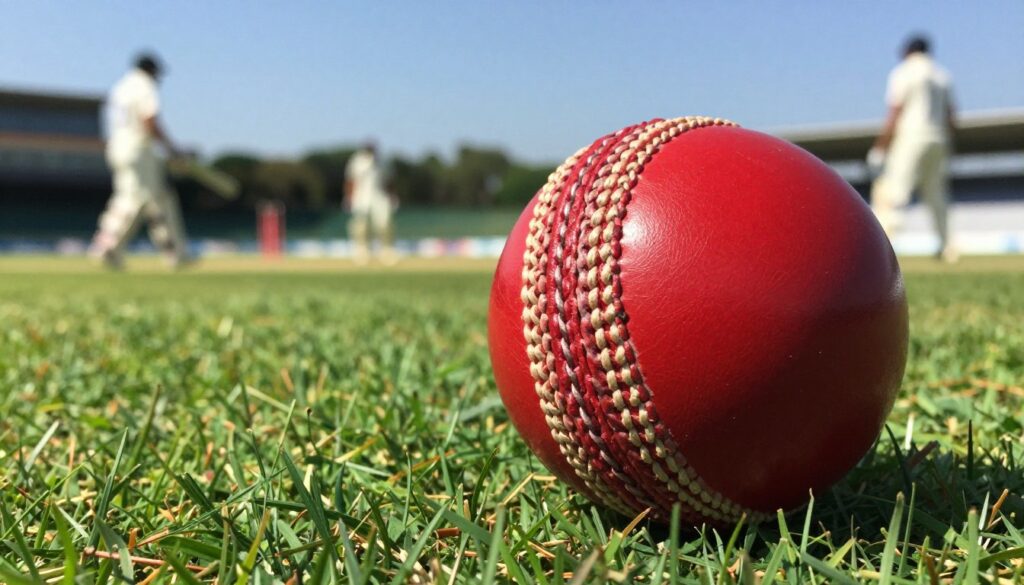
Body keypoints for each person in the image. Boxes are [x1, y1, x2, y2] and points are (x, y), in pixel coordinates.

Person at [90, 52, 190, 269]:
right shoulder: (143, 85)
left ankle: (174, 252)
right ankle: (107, 247)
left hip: (118, 147)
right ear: (151, 70)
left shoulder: (120, 88)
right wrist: (171, 149)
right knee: (136, 198)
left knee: (155, 199)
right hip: (138, 149)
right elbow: (149, 119)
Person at [868, 35, 958, 262]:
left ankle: (880, 251)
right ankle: (948, 249)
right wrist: (948, 143)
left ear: (908, 51)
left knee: (895, 192)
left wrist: (881, 146)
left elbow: (896, 110)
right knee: (937, 196)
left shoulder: (904, 72)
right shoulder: (942, 75)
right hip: (939, 139)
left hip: (911, 137)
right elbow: (951, 115)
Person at [344, 142, 398, 265]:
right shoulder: (356, 162)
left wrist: (392, 196)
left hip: (379, 196)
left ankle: (386, 251)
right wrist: (348, 197)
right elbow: (350, 180)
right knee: (360, 225)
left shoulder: (384, 162)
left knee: (384, 223)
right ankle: (361, 251)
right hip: (361, 196)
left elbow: (389, 180)